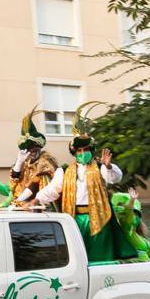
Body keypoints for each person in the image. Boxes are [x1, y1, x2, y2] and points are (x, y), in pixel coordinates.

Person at [32, 102, 125, 262]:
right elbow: (53, 190)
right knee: (79, 259)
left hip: (100, 218)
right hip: (74, 219)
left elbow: (115, 178)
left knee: (100, 258)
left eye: (86, 150)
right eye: (79, 150)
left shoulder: (101, 167)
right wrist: (36, 200)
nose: (83, 153)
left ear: (91, 150)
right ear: (74, 153)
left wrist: (109, 166)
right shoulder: (65, 170)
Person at [0, 108, 58, 208]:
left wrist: (18, 201)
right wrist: (19, 163)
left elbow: (35, 184)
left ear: (39, 146)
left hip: (37, 208)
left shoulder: (46, 162)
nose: (31, 151)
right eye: (28, 149)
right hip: (19, 207)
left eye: (33, 148)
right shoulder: (25, 163)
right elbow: (10, 187)